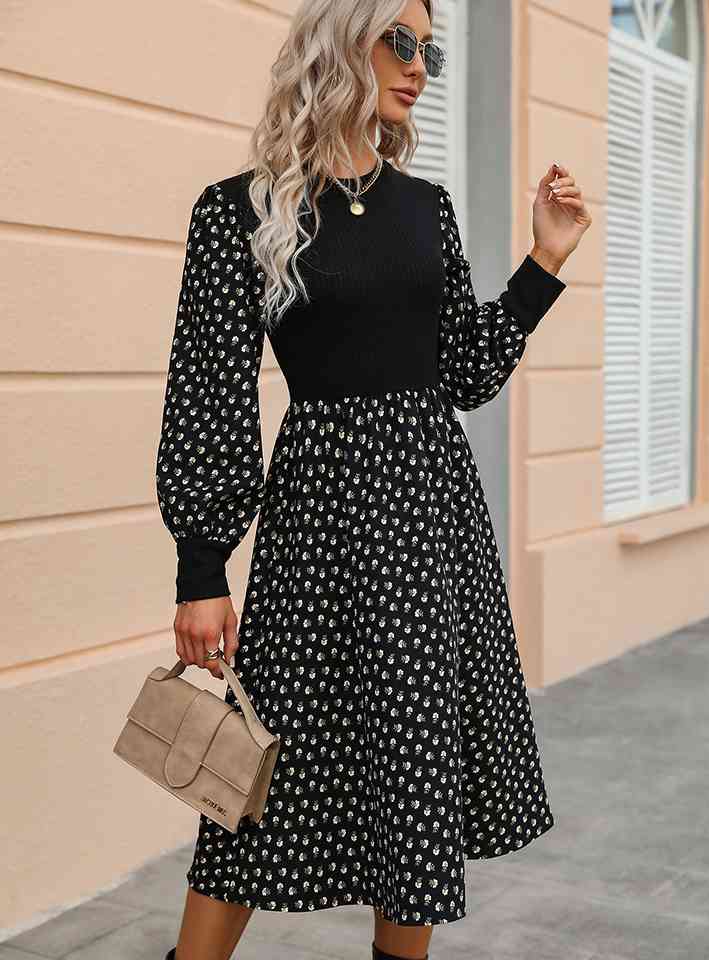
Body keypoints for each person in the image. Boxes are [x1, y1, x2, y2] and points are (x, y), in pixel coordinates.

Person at [155, 1, 591, 958]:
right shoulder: (240, 210)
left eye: (430, 49)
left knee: (416, 764)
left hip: (431, 524)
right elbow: (209, 393)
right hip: (317, 528)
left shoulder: (424, 208)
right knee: (258, 773)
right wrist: (201, 566)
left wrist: (544, 260)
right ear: (336, 41)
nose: (419, 64)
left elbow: (463, 371)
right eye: (399, 40)